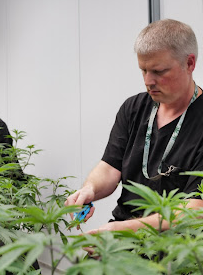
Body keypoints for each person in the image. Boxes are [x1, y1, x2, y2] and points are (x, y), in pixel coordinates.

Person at [65, 19, 203, 234]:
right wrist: (89, 189)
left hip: (177, 248)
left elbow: (195, 211)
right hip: (123, 235)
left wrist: (124, 230)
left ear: (190, 63)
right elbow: (110, 167)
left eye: (158, 71)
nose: (148, 81)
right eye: (143, 70)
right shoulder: (134, 108)